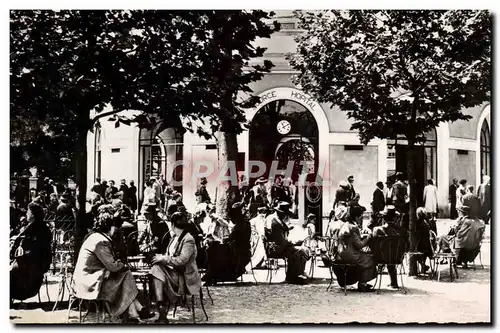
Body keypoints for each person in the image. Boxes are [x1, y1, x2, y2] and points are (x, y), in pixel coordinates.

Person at [73, 208, 153, 323]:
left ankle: (135, 312)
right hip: (89, 283)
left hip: (92, 278)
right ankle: (136, 311)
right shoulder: (100, 241)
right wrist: (123, 265)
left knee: (125, 276)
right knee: (125, 276)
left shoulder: (95, 237)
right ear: (110, 227)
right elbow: (113, 266)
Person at [150, 212, 202, 323]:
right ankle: (161, 308)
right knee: (156, 268)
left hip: (184, 276)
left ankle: (161, 308)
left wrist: (165, 259)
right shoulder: (175, 237)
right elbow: (171, 256)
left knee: (156, 270)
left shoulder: (188, 239)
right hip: (174, 273)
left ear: (173, 225)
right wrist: (162, 258)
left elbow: (182, 260)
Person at [10, 202, 53, 301]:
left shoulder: (35, 229)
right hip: (31, 265)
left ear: (33, 215)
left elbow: (33, 250)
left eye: (28, 212)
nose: (26, 214)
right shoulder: (36, 227)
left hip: (30, 269)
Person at [203, 202, 252, 285]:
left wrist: (227, 240)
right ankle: (212, 274)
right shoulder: (243, 223)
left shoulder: (242, 225)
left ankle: (212, 275)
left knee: (216, 252)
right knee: (216, 249)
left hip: (240, 252)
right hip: (237, 249)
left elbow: (234, 238)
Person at [333, 207, 376, 292]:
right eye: (361, 217)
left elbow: (352, 240)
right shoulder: (353, 227)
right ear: (356, 217)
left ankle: (361, 281)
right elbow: (360, 245)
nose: (361, 219)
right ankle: (363, 283)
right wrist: (369, 237)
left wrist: (362, 237)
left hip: (341, 253)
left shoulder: (345, 225)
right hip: (351, 255)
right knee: (371, 258)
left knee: (364, 256)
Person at [266, 202, 309, 285]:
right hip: (275, 248)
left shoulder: (276, 219)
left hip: (278, 245)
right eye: (286, 214)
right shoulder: (274, 221)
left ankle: (297, 274)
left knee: (302, 250)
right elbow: (280, 240)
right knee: (298, 252)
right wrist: (293, 242)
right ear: (281, 213)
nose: (286, 217)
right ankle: (293, 276)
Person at [372, 205, 406, 290]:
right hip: (397, 258)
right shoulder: (401, 230)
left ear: (383, 217)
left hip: (381, 258)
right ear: (395, 218)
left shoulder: (377, 230)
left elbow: (373, 244)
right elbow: (405, 245)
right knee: (391, 253)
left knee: (387, 253)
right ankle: (394, 282)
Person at [415, 207, 437, 273]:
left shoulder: (417, 223)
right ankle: (423, 266)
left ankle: (423, 265)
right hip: (429, 247)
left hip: (421, 247)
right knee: (423, 250)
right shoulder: (428, 222)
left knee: (416, 251)